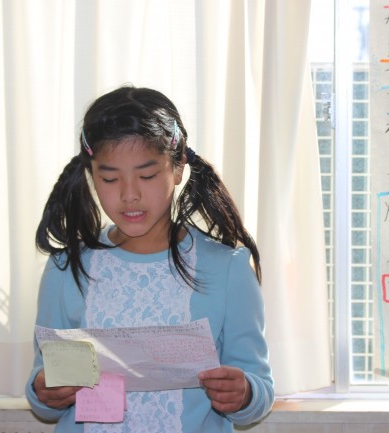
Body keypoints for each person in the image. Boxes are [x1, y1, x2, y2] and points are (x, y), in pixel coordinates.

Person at [25, 85, 274, 432]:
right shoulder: (66, 269)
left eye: (147, 175)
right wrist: (45, 391)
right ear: (91, 174)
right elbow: (44, 388)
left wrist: (243, 393)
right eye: (110, 178)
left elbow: (258, 387)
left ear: (178, 167)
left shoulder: (227, 268)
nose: (130, 195)